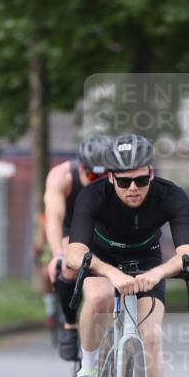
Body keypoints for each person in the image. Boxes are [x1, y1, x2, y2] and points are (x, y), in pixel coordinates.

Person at [66, 134, 189, 377]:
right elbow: (73, 252)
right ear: (110, 177)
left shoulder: (172, 196)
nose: (133, 188)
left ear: (151, 174)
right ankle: (88, 373)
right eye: (124, 182)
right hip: (102, 259)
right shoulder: (92, 195)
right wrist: (110, 272)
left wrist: (157, 274)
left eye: (141, 180)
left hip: (148, 262)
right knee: (97, 298)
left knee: (151, 338)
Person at [43, 134, 111, 360]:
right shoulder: (61, 176)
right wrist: (58, 254)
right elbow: (54, 219)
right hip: (71, 228)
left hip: (105, 227)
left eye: (103, 176)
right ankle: (70, 326)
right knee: (68, 267)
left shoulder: (120, 178)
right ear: (80, 168)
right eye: (92, 175)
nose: (97, 181)